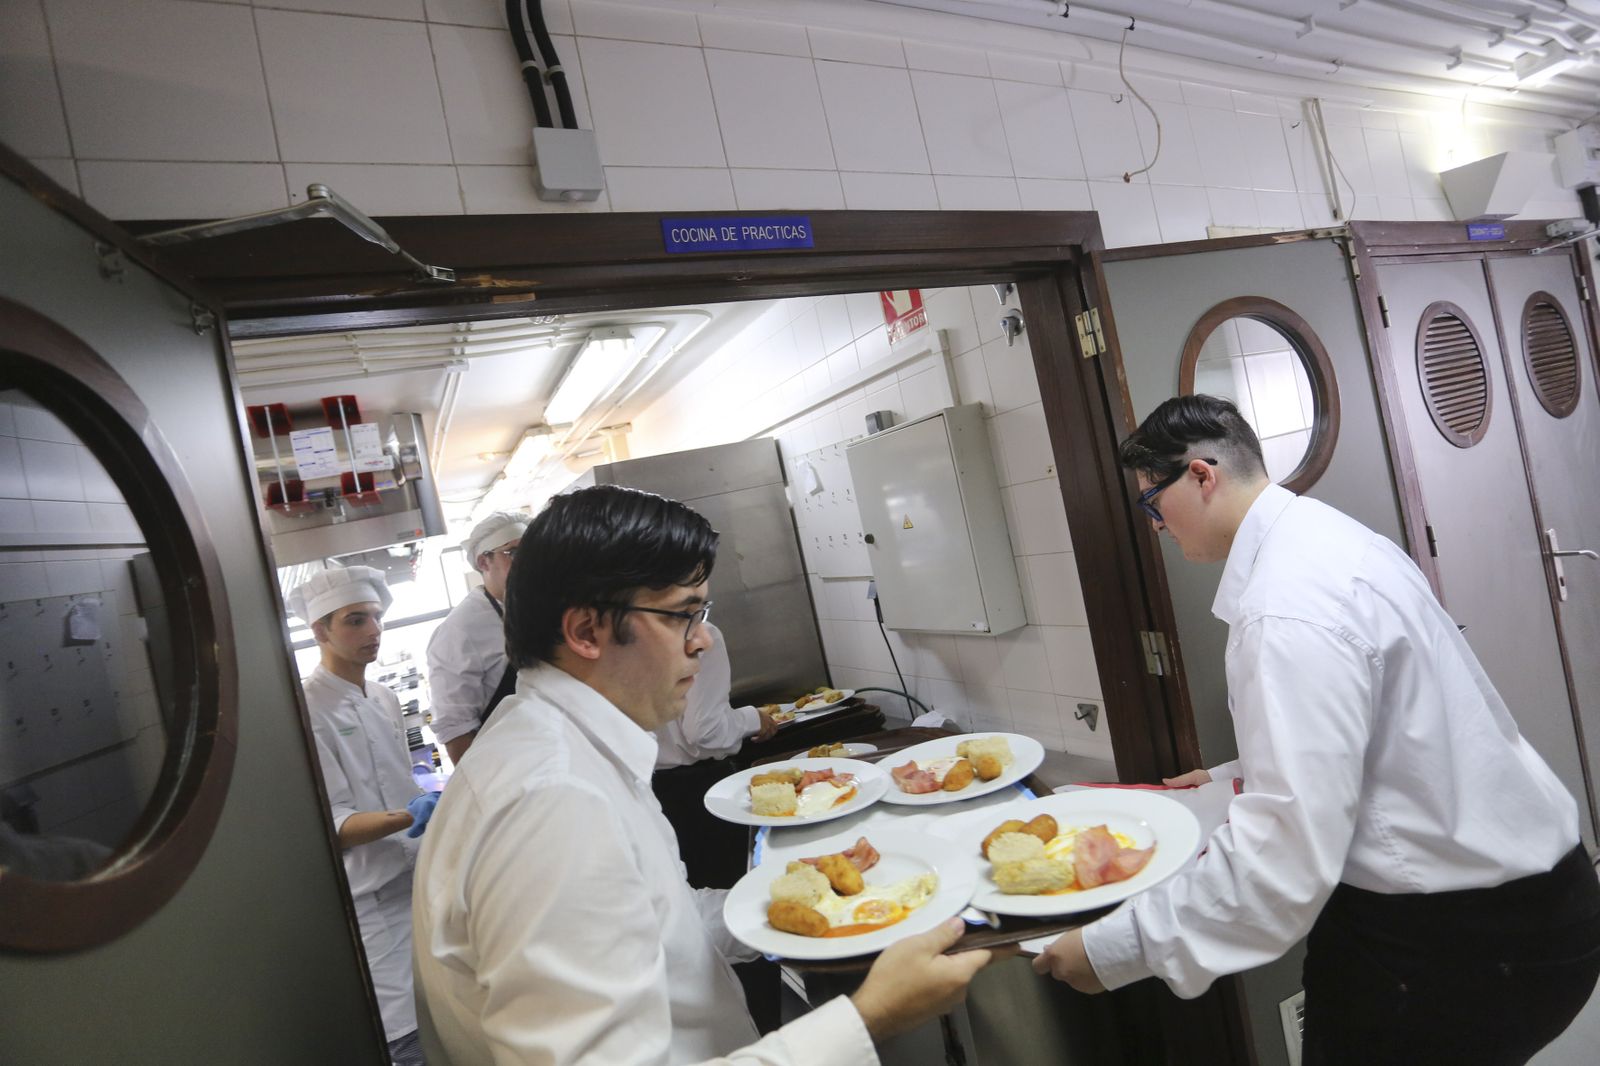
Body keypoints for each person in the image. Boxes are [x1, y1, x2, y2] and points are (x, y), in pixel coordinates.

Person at [1032, 394, 1600, 1065]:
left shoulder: (1286, 608)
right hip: (1539, 899)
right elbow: (1380, 727)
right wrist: (1229, 780)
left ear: (1201, 475)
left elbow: (1284, 860)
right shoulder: (1335, 540)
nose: (1156, 526)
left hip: (1461, 935)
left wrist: (1110, 951)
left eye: (1152, 504)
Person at [411, 485, 999, 1065]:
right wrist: (870, 1019)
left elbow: (667, 922)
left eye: (703, 612)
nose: (703, 639)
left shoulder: (562, 748)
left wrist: (801, 897)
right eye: (683, 615)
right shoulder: (553, 803)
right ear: (587, 632)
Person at [290, 565, 438, 1066]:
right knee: (405, 1038)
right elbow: (332, 824)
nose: (373, 631)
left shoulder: (384, 697)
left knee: (443, 1017)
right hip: (370, 900)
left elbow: (402, 783)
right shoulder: (307, 710)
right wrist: (407, 816)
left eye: (375, 618)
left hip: (416, 884)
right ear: (320, 631)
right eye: (355, 620)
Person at [425, 511, 528, 765]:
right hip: (509, 767)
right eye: (514, 553)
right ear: (484, 562)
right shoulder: (459, 631)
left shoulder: (535, 607)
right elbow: (456, 731)